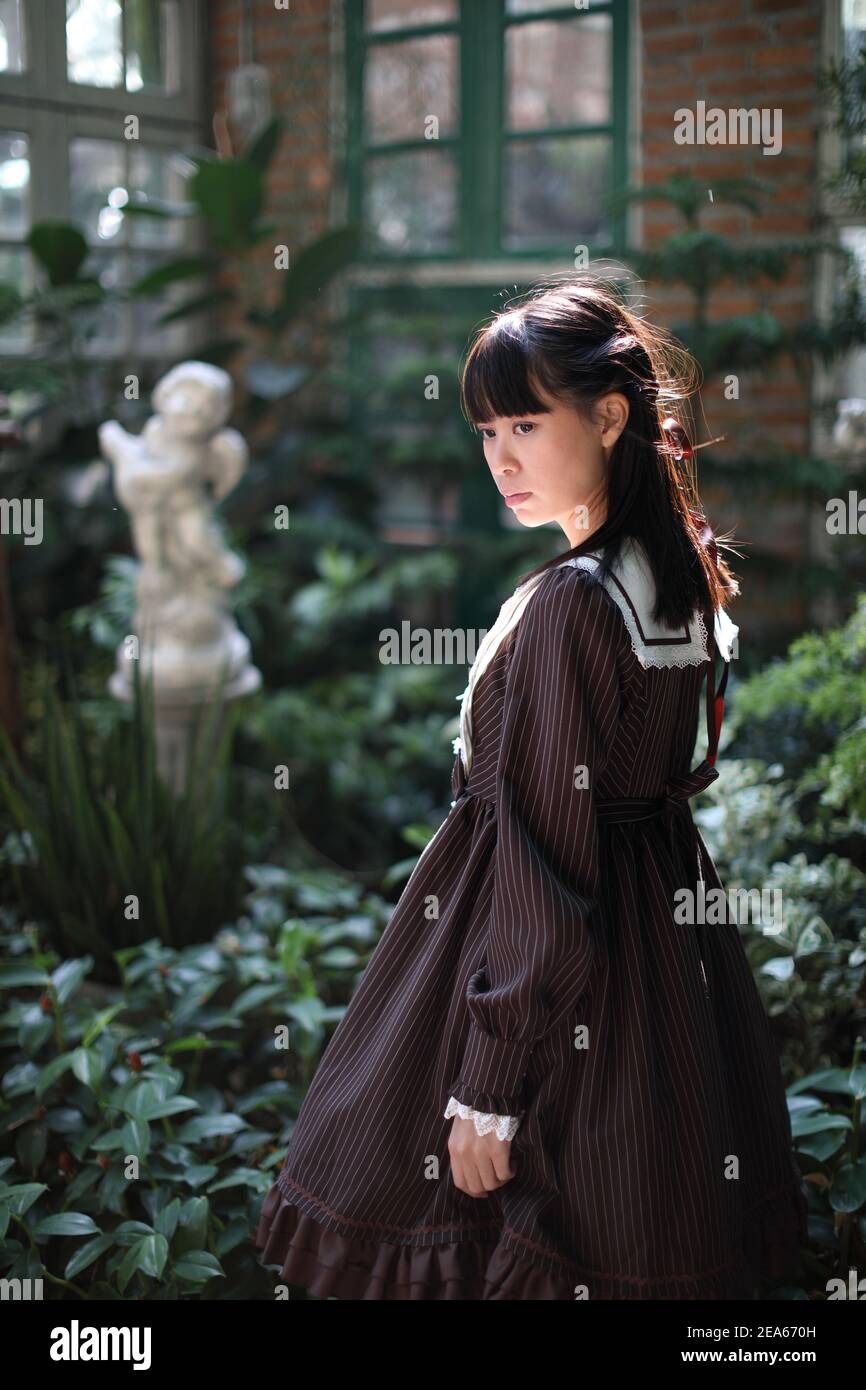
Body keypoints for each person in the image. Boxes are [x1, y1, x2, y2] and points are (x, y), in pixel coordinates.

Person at [254, 275, 809, 1300]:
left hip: (546, 966)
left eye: (524, 421)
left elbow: (548, 855)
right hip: (660, 964)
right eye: (484, 429)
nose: (500, 457)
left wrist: (488, 1085)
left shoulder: (568, 605)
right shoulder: (667, 572)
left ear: (606, 417)